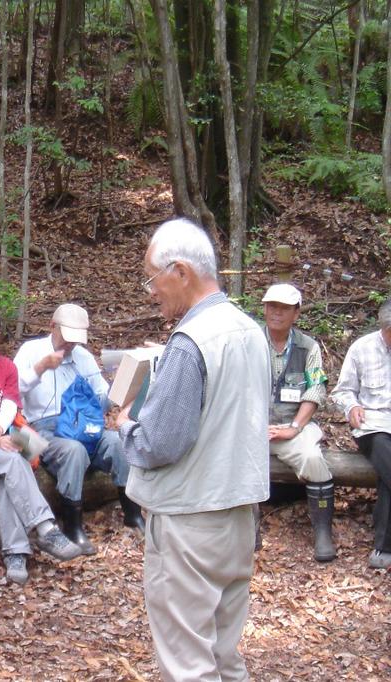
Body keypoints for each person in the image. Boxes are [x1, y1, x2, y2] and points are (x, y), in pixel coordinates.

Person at [117, 218, 269, 682]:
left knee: (189, 665)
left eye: (151, 277)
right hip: (239, 515)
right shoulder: (250, 331)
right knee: (224, 654)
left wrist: (125, 425)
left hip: (190, 522)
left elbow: (159, 442)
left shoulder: (190, 342)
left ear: (180, 271)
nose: (150, 291)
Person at [0, 302, 81, 586]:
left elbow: (10, 401)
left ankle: (16, 552)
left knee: (23, 461)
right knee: (13, 461)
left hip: (6, 430)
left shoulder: (6, 365)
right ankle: (45, 527)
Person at [13, 303, 141, 555]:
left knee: (117, 441)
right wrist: (40, 368)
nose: (70, 344)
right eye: (66, 337)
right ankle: (73, 526)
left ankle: (133, 513)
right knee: (74, 450)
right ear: (53, 326)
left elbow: (102, 398)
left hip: (84, 425)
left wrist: (122, 387)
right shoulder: (31, 351)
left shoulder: (83, 357)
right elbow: (11, 393)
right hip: (37, 427)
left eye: (75, 339)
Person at [261, 283, 336, 562]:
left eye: (283, 308)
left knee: (313, 458)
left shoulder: (308, 347)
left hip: (292, 426)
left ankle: (322, 533)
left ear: (296, 313)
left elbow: (315, 389)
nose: (276, 313)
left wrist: (294, 427)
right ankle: (246, 529)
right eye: (271, 306)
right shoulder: (249, 342)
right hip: (253, 427)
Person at [331, 298, 391, 569]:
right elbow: (342, 391)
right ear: (383, 328)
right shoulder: (362, 348)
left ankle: (384, 548)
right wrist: (352, 406)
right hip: (374, 426)